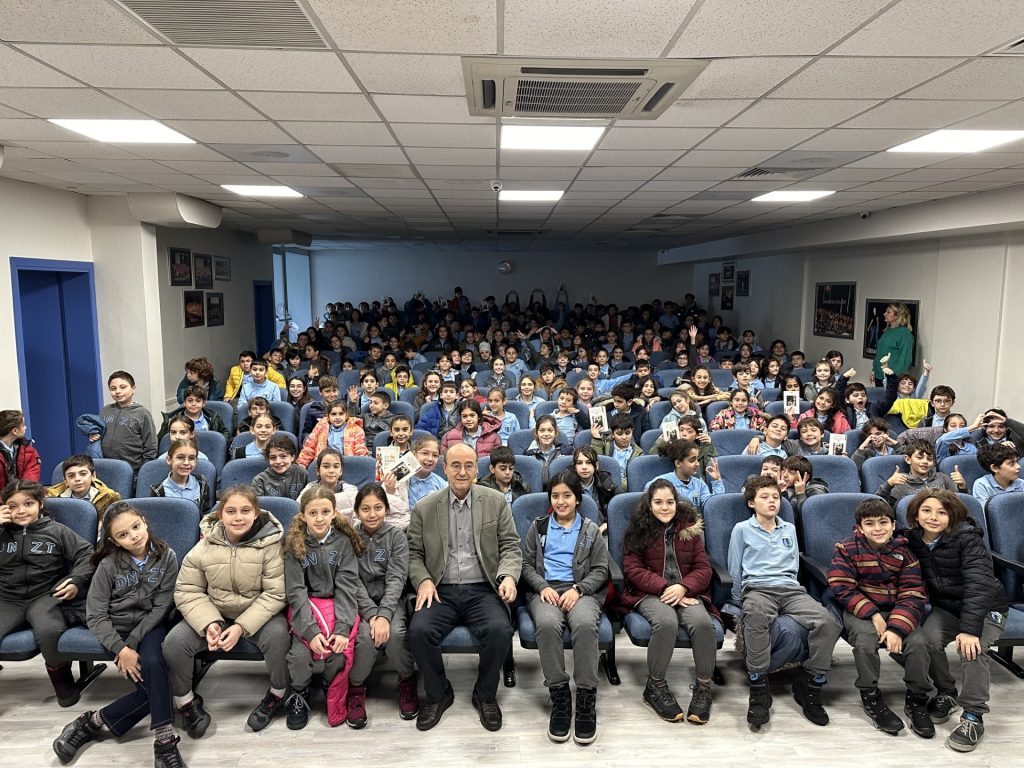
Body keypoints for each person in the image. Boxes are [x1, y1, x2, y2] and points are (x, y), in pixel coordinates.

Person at [53, 502, 185, 767]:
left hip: (151, 625)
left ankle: (91, 722)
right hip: (115, 629)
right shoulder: (108, 564)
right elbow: (96, 615)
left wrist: (132, 644)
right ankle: (165, 743)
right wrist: (121, 648)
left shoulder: (167, 556)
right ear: (113, 541)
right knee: (154, 689)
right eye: (123, 534)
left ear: (144, 522)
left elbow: (162, 606)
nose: (133, 536)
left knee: (154, 664)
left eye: (136, 527)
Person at [405, 444, 522, 732]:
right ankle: (438, 692)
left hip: (482, 589)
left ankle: (485, 693)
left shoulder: (495, 502)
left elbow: (510, 546)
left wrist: (508, 576)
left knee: (500, 630)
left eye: (468, 465)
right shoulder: (425, 507)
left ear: (476, 469)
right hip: (440, 590)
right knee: (418, 632)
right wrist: (424, 580)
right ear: (444, 468)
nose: (462, 471)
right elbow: (413, 554)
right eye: (455, 465)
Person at [164, 486, 289, 735]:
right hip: (215, 613)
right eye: (231, 511)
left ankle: (278, 694)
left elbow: (276, 593)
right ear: (220, 515)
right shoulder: (204, 547)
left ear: (256, 513)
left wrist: (241, 627)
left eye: (245, 511)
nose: (238, 517)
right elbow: (187, 590)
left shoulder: (271, 546)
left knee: (278, 637)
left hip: (257, 615)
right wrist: (209, 622)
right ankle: (186, 702)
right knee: (174, 643)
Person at [728, 476, 842, 729]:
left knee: (827, 622)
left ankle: (811, 684)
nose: (772, 501)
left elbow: (794, 565)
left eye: (775, 497)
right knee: (756, 616)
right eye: (764, 497)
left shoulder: (788, 528)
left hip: (790, 589)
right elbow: (735, 567)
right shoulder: (742, 529)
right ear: (751, 503)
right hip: (758, 588)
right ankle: (759, 687)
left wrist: (793, 588)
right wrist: (738, 598)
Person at [900, 490, 1009, 751]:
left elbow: (979, 585)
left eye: (942, 512)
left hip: (987, 607)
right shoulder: (912, 539)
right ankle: (947, 693)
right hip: (948, 608)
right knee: (928, 640)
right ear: (915, 515)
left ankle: (973, 715)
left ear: (953, 515)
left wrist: (970, 631)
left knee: (972, 649)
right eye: (927, 510)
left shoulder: (968, 539)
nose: (933, 517)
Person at [619, 480, 718, 725]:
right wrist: (665, 587)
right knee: (666, 622)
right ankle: (655, 686)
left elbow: (703, 568)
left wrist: (683, 587)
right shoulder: (639, 530)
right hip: (651, 593)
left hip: (687, 592)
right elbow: (633, 569)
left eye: (670, 502)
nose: (665, 507)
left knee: (703, 624)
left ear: (677, 503)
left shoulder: (690, 530)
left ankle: (704, 687)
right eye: (658, 502)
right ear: (649, 504)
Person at [827, 498, 926, 736]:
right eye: (870, 524)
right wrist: (872, 614)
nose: (878, 528)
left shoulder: (905, 552)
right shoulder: (846, 549)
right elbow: (841, 586)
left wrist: (897, 628)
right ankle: (870, 694)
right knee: (865, 642)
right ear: (860, 528)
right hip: (860, 609)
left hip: (897, 609)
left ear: (893, 525)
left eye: (883, 522)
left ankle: (917, 696)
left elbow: (912, 593)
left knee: (919, 644)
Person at [522, 472, 607, 744]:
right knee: (547, 624)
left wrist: (578, 589)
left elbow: (601, 569)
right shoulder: (538, 527)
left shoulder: (590, 530)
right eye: (555, 496)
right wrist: (542, 586)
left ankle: (586, 696)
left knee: (584, 624)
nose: (561, 501)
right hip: (545, 589)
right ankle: (559, 694)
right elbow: (525, 564)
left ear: (578, 499)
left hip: (581, 590)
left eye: (567, 495)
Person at [0, 480, 94, 707]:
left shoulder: (56, 531)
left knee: (50, 631)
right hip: (7, 598)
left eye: (28, 504)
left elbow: (88, 555)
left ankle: (61, 679)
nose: (21, 511)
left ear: (40, 504)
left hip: (45, 596)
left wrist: (76, 580)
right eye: (12, 506)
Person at [282, 486, 362, 730]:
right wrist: (311, 632)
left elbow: (347, 587)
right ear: (303, 516)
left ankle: (330, 684)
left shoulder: (344, 542)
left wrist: (342, 628)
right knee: (298, 656)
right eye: (313, 513)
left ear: (334, 513)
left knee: (338, 650)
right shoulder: (294, 543)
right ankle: (300, 692)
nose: (319, 519)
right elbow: (296, 591)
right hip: (306, 610)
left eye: (325, 512)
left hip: (337, 607)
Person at [349, 484, 420, 725]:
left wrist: (384, 615)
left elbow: (397, 579)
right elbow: (352, 581)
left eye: (378, 508)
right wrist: (372, 615)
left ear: (387, 510)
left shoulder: (397, 537)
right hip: (362, 602)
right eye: (365, 509)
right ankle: (356, 687)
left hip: (392, 599)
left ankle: (407, 679)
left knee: (396, 633)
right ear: (357, 512)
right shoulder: (350, 538)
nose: (372, 514)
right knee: (365, 637)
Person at [97, 371, 157, 472]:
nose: (117, 391)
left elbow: (151, 444)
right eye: (113, 388)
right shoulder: (105, 410)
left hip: (133, 469)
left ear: (133, 389)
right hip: (107, 466)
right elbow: (98, 432)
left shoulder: (142, 413)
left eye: (123, 387)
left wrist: (146, 469)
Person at [875, 439, 961, 507]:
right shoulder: (900, 482)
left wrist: (962, 487)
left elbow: (959, 504)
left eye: (929, 459)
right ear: (908, 459)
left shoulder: (943, 478)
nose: (925, 462)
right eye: (919, 457)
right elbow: (880, 507)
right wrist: (889, 484)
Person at [46, 454, 121, 529]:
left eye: (83, 474)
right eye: (71, 476)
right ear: (66, 481)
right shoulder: (52, 497)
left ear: (93, 476)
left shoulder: (109, 497)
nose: (77, 479)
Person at [648, 439, 723, 513]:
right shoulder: (661, 483)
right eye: (692, 460)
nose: (697, 464)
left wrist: (717, 481)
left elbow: (712, 506)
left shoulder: (699, 484)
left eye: (697, 459)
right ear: (678, 463)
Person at [148, 438, 213, 514]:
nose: (186, 463)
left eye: (191, 458)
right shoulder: (158, 491)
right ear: (169, 460)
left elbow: (206, 513)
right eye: (180, 457)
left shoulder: (202, 484)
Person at [298, 401, 368, 465]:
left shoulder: (356, 430)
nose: (337, 417)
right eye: (333, 414)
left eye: (341, 414)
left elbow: (360, 451)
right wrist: (301, 465)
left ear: (346, 415)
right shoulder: (320, 427)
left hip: (347, 465)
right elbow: (309, 449)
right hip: (324, 465)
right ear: (328, 416)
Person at [158, 386, 230, 443]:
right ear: (185, 402)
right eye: (190, 401)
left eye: (198, 401)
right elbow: (161, 441)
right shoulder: (172, 419)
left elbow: (225, 433)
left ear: (203, 403)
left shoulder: (213, 417)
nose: (193, 404)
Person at [569, 445, 617, 528]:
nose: (584, 467)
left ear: (596, 465)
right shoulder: (568, 484)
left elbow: (620, 503)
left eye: (589, 462)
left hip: (603, 529)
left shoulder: (604, 480)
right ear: (574, 467)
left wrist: (607, 524)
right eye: (579, 463)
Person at [591, 412, 642, 489]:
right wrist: (596, 439)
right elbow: (598, 462)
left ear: (632, 431)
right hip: (606, 486)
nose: (624, 437)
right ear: (612, 434)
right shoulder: (605, 445)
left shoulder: (638, 453)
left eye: (628, 433)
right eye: (619, 434)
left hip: (628, 489)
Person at [252, 434, 309, 500]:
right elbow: (257, 504)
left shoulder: (302, 473)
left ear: (292, 457)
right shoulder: (260, 480)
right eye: (273, 458)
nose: (278, 461)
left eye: (283, 456)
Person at [871, 303, 915, 385]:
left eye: (888, 312)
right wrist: (874, 370)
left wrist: (895, 377)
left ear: (897, 316)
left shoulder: (904, 334)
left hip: (893, 378)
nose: (884, 314)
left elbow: (905, 359)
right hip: (879, 376)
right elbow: (880, 353)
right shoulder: (887, 330)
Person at [525, 415, 570, 488]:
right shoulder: (528, 454)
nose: (546, 434)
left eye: (550, 430)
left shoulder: (565, 452)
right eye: (542, 430)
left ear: (556, 433)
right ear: (536, 433)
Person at [0, 409, 41, 487]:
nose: (25, 427)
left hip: (22, 492)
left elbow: (31, 478)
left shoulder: (29, 451)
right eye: (23, 425)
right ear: (15, 431)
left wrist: (22, 492)